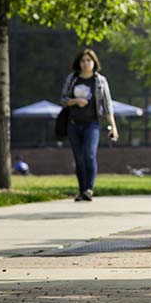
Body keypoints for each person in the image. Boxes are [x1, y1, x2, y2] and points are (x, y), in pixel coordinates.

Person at [60, 49, 119, 202]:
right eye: (83, 61)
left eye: (89, 60)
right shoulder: (72, 79)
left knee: (89, 155)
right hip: (73, 124)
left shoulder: (100, 81)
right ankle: (81, 190)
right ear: (79, 63)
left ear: (94, 62)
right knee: (78, 158)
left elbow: (107, 104)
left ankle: (89, 189)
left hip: (92, 124)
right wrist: (75, 101)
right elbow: (63, 99)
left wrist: (113, 126)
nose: (86, 63)